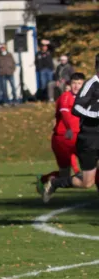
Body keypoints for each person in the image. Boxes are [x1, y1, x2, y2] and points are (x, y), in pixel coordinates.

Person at [43, 54, 99, 202]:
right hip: (89, 139)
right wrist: (96, 114)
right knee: (87, 183)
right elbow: (77, 108)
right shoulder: (90, 85)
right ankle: (55, 182)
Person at [36, 72, 85, 193]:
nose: (76, 86)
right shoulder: (66, 97)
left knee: (92, 167)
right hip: (63, 139)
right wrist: (68, 128)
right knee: (65, 175)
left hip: (78, 138)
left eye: (79, 83)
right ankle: (45, 180)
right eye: (74, 83)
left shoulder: (86, 98)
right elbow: (65, 114)